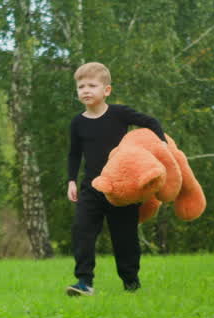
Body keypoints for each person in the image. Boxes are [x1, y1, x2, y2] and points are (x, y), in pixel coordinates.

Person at [65, 62, 165, 296]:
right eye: (81, 86)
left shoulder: (120, 114)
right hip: (91, 188)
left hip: (122, 190)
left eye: (92, 85)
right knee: (82, 231)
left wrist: (162, 147)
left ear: (106, 90)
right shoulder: (77, 123)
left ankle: (131, 282)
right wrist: (71, 180)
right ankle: (84, 282)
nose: (86, 90)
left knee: (125, 239)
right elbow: (74, 154)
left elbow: (151, 123)